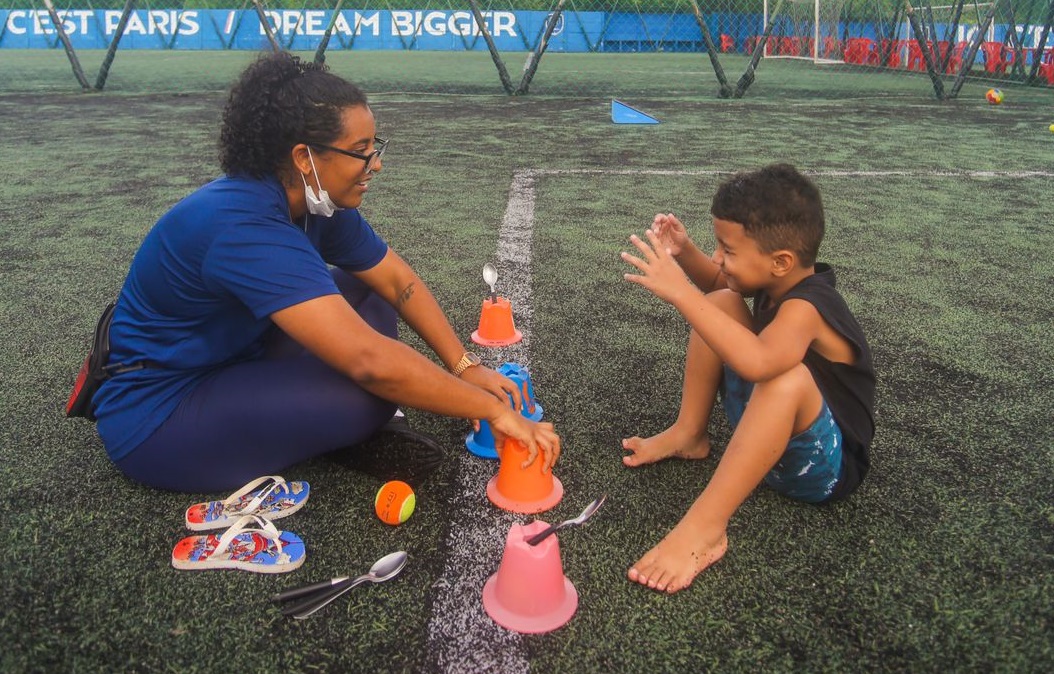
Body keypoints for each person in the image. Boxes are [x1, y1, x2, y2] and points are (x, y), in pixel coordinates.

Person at [92, 52, 559, 493]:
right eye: (361, 150)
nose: (375, 162)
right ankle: (328, 424)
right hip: (161, 409)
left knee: (370, 287)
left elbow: (397, 281)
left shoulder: (314, 202)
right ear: (304, 158)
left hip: (237, 355)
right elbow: (369, 363)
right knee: (367, 397)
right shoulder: (242, 223)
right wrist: (492, 409)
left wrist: (466, 366)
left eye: (375, 146)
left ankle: (308, 413)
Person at [619, 164, 874, 594]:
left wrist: (680, 291)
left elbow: (758, 364)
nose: (720, 258)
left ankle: (705, 528)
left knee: (785, 378)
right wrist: (687, 251)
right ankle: (689, 434)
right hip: (773, 441)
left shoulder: (809, 307)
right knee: (720, 301)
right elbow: (722, 282)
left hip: (825, 470)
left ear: (781, 262)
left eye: (728, 250)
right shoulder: (780, 281)